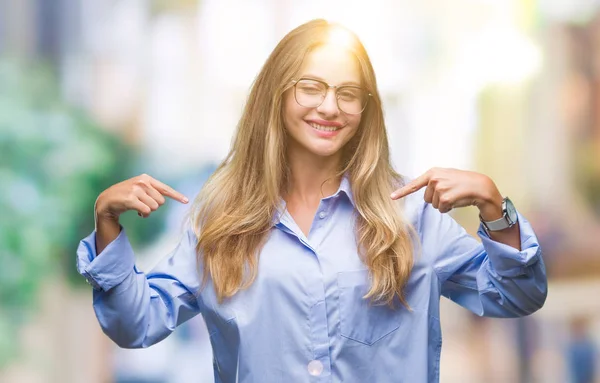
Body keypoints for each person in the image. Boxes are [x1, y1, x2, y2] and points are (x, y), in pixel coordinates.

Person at [76, 19, 548, 382]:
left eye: (347, 93)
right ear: (276, 96)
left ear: (366, 110)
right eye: (311, 87)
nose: (329, 107)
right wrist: (108, 226)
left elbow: (517, 295)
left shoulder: (410, 214)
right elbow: (136, 324)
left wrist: (494, 207)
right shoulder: (221, 220)